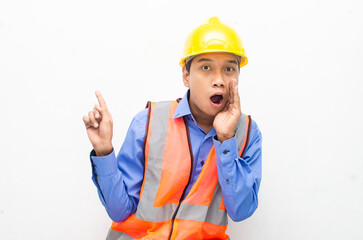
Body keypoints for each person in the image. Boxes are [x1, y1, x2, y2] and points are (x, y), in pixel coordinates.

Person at [83, 16, 262, 240]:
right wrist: (104, 151)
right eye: (206, 67)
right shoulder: (148, 122)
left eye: (229, 69)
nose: (219, 80)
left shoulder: (247, 134)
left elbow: (242, 211)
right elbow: (119, 211)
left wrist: (226, 140)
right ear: (186, 75)